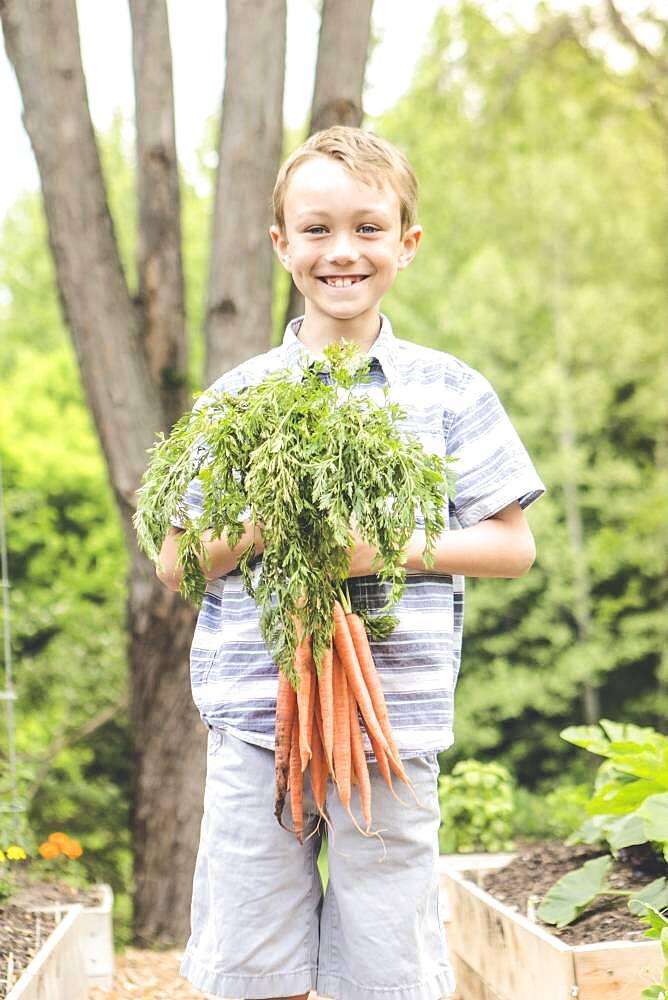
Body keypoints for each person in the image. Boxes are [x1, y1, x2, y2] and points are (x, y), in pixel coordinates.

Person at [157, 126, 545, 1000]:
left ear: (406, 243)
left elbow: (513, 546)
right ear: (281, 244)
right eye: (318, 229)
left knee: (388, 966)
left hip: (391, 730)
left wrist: (389, 547)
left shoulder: (450, 391)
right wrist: (262, 523)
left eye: (368, 229)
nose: (343, 251)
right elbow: (176, 566)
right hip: (260, 724)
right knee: (252, 964)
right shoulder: (237, 400)